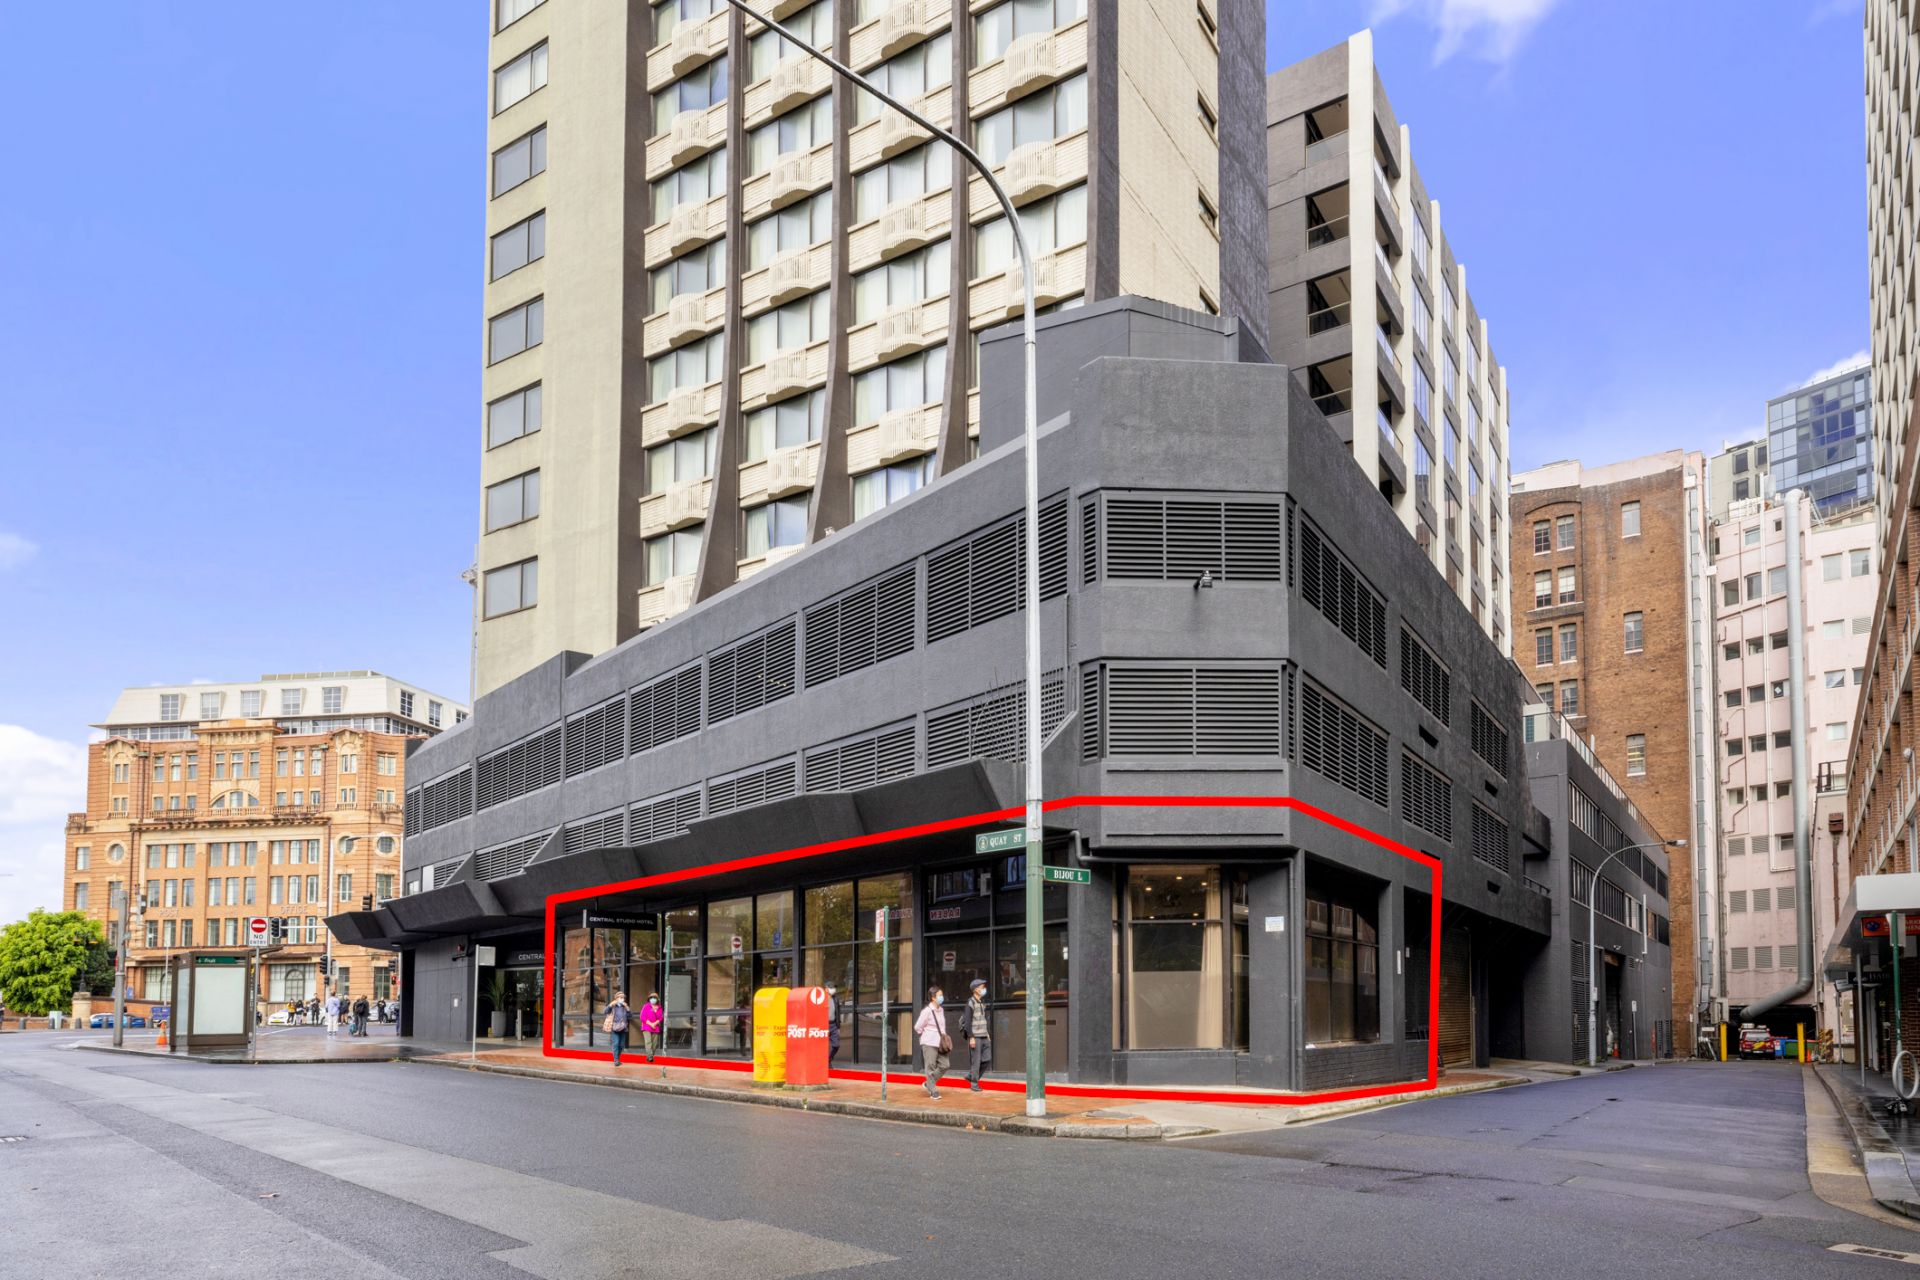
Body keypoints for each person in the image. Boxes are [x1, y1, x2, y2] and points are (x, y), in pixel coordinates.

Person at [913, 985, 950, 1100]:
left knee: (945, 1065)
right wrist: (927, 1034)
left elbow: (942, 1027)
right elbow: (917, 1027)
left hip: (940, 1043)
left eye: (942, 995)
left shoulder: (941, 1010)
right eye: (940, 995)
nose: (942, 997)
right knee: (930, 1066)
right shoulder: (927, 1011)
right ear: (933, 997)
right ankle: (933, 1091)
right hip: (929, 1042)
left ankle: (929, 1083)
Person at [963, 977, 992, 1091]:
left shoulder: (981, 1002)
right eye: (982, 987)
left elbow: (983, 1019)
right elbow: (968, 1021)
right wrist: (971, 1037)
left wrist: (987, 1034)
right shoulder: (970, 1002)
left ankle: (971, 1076)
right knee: (976, 1061)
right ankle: (974, 1084)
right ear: (975, 989)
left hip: (984, 1035)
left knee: (987, 1059)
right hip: (975, 1036)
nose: (984, 989)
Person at [605, 991, 634, 1067]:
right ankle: (616, 1060)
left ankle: (617, 1058)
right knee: (616, 1043)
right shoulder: (613, 1006)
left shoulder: (624, 1007)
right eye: (620, 997)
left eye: (623, 997)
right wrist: (610, 1005)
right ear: (616, 998)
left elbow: (630, 1016)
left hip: (623, 1028)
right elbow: (605, 1011)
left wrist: (628, 1008)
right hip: (615, 1028)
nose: (622, 999)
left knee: (621, 1045)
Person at [638, 992, 664, 1062]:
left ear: (657, 999)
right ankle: (650, 1057)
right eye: (651, 998)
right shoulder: (646, 1006)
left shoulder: (659, 1008)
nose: (652, 999)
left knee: (655, 1044)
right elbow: (642, 1017)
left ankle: (650, 1056)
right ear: (649, 999)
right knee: (648, 1042)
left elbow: (661, 1018)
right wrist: (651, 1024)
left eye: (654, 998)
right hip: (646, 1027)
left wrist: (655, 1023)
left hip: (656, 1027)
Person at [825, 985, 841, 1063]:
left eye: (834, 988)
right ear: (826, 989)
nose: (833, 989)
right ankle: (824, 1062)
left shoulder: (836, 999)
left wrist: (838, 1027)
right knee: (824, 1046)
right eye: (831, 988)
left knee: (836, 1045)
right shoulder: (821, 999)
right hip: (824, 1025)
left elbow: (838, 1013)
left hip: (833, 1025)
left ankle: (829, 1058)